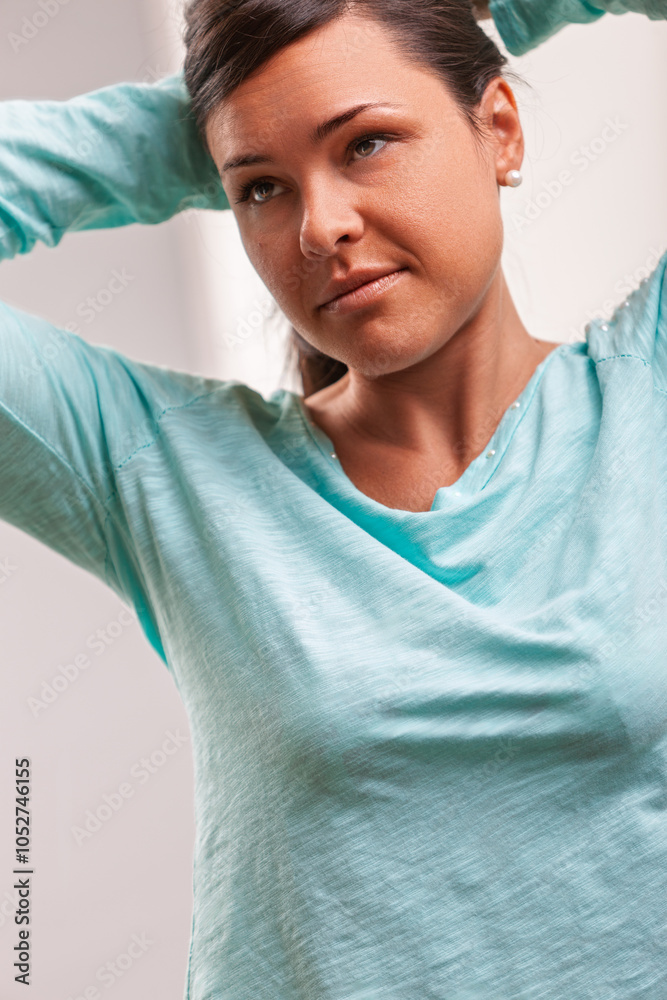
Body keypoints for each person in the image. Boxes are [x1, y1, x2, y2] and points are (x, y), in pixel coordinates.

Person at [1, 0, 666, 997]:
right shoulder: (159, 468)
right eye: (264, 191)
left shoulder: (645, 389)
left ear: (500, 129)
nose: (319, 228)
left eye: (366, 143)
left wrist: (485, 10)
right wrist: (197, 126)